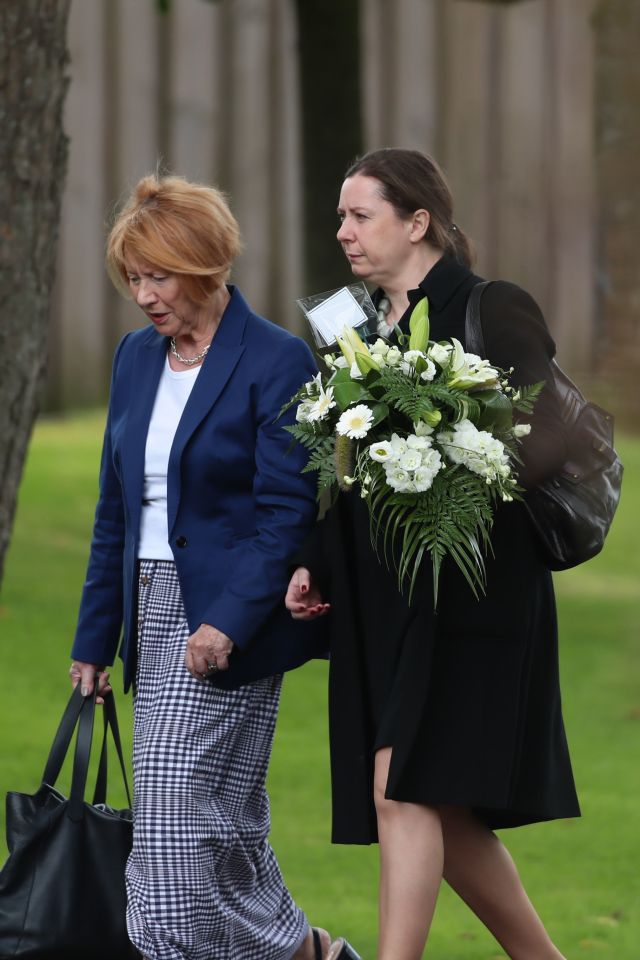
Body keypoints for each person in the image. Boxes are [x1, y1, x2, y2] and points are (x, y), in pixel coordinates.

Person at [286, 148, 579, 960]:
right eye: (341, 216)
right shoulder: (347, 323)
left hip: (472, 592)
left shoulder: (493, 307)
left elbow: (552, 434)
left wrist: (454, 455)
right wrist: (316, 557)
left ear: (418, 223)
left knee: (401, 783)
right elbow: (340, 464)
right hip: (382, 597)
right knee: (437, 802)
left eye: (359, 215)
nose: (342, 231)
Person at [68, 173, 360, 960]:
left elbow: (283, 517)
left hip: (231, 616)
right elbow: (115, 512)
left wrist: (225, 622)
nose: (143, 295)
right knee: (219, 824)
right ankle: (309, 954)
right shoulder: (135, 359)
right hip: (147, 605)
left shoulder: (275, 360)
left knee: (167, 823)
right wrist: (94, 640)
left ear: (205, 264)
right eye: (132, 278)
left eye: (157, 274)